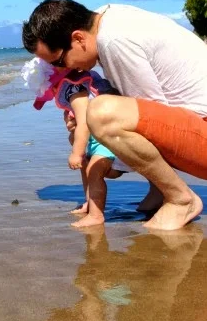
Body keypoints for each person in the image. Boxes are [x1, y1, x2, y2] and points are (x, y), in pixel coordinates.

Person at [22, 0, 207, 230]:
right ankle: (161, 190)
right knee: (106, 113)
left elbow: (147, 113)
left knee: (100, 113)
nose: (62, 70)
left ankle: (181, 199)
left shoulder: (113, 41)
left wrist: (111, 165)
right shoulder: (107, 19)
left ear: (78, 38)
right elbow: (148, 113)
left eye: (59, 61)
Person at [21, 58, 129, 228]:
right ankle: (90, 203)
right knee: (86, 169)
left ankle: (96, 215)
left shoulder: (74, 87)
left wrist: (76, 153)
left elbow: (84, 121)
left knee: (94, 172)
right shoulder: (71, 85)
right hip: (96, 137)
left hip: (106, 136)